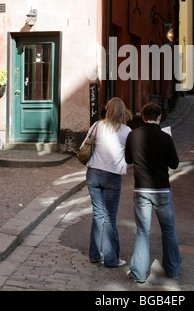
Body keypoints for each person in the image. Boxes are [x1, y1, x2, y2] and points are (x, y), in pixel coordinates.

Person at [125, 102, 181, 283]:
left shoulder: (133, 135)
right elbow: (174, 164)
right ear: (160, 117)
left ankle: (139, 273)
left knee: (142, 232)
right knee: (169, 230)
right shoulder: (166, 137)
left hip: (142, 189)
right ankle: (172, 269)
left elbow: (127, 159)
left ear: (142, 117)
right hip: (162, 190)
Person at [82, 97, 132, 267]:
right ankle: (111, 259)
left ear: (108, 110)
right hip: (112, 176)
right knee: (110, 217)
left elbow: (84, 146)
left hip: (93, 174)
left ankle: (95, 254)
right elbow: (131, 158)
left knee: (98, 215)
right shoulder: (126, 131)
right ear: (122, 111)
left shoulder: (97, 126)